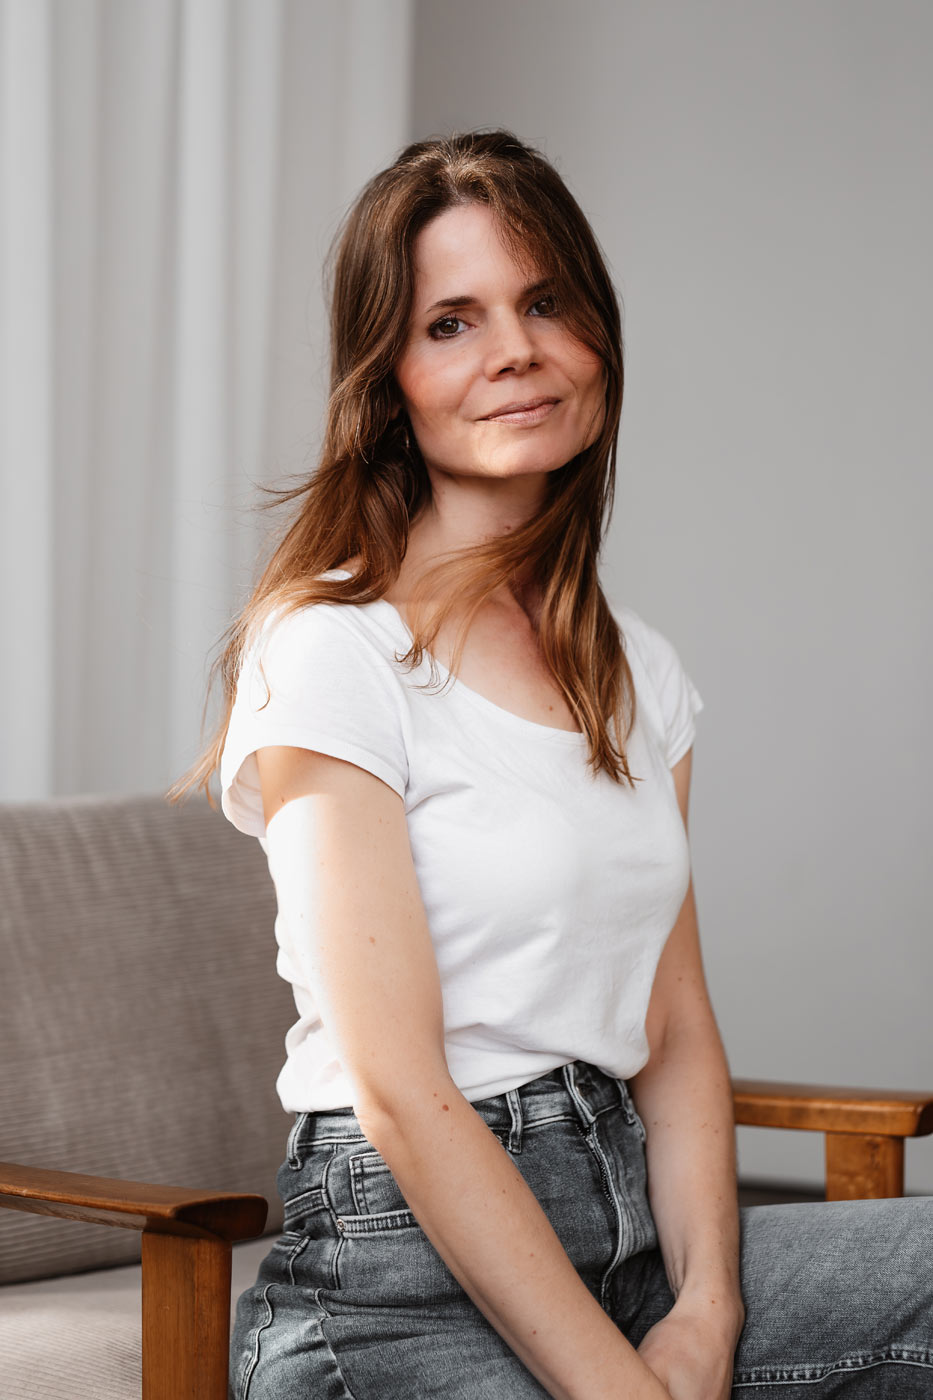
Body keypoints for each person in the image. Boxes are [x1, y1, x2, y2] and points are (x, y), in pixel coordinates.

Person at [173, 131, 933, 1399]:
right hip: (395, 1285)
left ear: (596, 338)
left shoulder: (640, 671)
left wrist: (705, 1309)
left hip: (631, 1238)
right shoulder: (329, 651)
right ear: (390, 380)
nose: (514, 349)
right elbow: (407, 1092)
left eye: (543, 303)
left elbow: (675, 1027)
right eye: (452, 322)